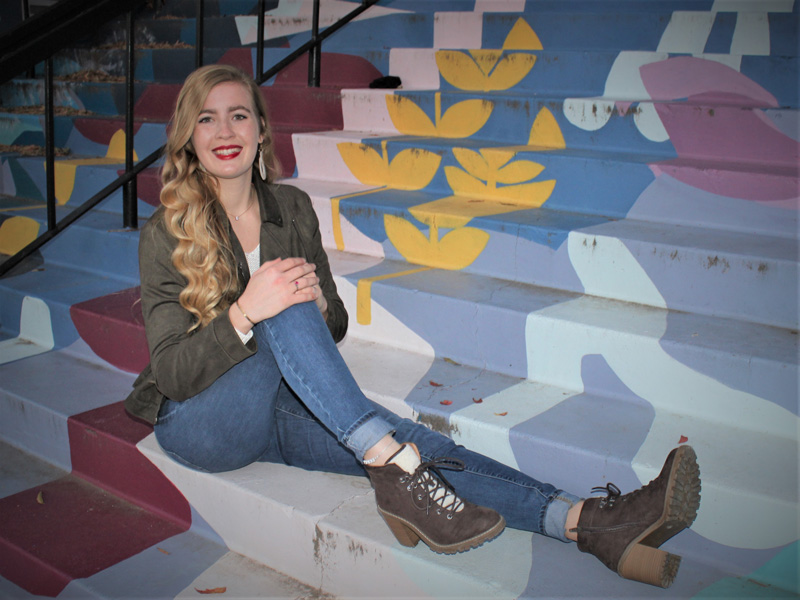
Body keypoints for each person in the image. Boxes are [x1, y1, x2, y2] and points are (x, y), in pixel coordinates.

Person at [124, 64, 701, 589]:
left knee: (403, 440)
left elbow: (335, 322)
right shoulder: (167, 230)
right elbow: (173, 373)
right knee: (281, 305)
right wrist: (249, 309)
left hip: (280, 406)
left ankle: (589, 523)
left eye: (238, 115)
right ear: (190, 137)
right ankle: (394, 469)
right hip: (201, 420)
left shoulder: (291, 207)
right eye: (207, 118)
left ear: (259, 133)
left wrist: (307, 309)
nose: (225, 130)